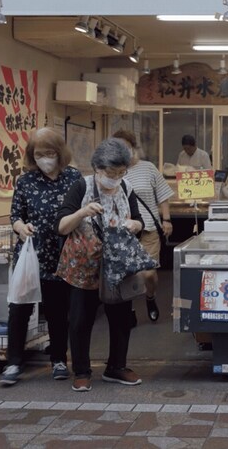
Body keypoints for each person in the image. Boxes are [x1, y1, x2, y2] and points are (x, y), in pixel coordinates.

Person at [56, 138, 145, 392]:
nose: (115, 177)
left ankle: (117, 367)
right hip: (84, 264)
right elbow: (61, 226)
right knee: (81, 319)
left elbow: (139, 221)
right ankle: (82, 371)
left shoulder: (126, 187)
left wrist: (134, 225)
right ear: (97, 168)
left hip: (117, 264)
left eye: (120, 172)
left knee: (120, 317)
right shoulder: (80, 186)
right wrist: (82, 212)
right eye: (110, 172)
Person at [0, 128, 82, 387]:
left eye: (49, 154)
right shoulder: (25, 181)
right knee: (19, 309)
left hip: (61, 255)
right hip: (30, 254)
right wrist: (21, 228)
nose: (44, 159)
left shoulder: (74, 178)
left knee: (57, 310)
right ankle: (14, 361)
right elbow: (15, 216)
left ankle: (58, 359)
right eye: (38, 154)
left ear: (60, 154)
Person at [113, 130, 175, 323]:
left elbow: (163, 195)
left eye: (126, 146)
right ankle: (129, 309)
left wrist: (166, 219)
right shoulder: (113, 170)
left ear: (133, 147)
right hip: (124, 231)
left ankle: (150, 297)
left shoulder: (148, 168)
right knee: (128, 273)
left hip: (148, 227)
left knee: (148, 273)